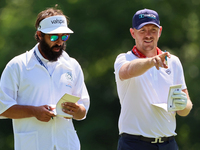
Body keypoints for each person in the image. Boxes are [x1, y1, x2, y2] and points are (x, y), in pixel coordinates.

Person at [0, 6, 90, 150]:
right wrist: (34, 111)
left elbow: (83, 110)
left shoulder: (72, 65)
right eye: (54, 37)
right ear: (40, 35)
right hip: (32, 145)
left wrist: (76, 111)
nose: (59, 42)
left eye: (64, 36)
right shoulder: (18, 65)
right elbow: (2, 108)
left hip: (67, 145)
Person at [114, 8, 193, 150]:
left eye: (153, 30)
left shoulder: (173, 61)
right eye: (142, 30)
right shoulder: (124, 58)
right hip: (134, 143)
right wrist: (152, 61)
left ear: (160, 31)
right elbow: (128, 71)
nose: (148, 35)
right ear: (133, 33)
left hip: (169, 143)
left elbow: (185, 108)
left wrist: (184, 105)